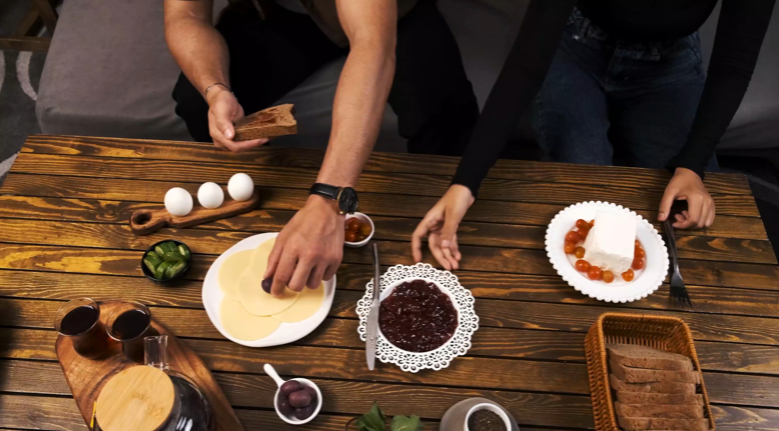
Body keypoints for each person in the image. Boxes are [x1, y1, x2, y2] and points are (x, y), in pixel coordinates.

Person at [412, 0, 776, 271]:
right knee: (579, 210)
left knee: (694, 232)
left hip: (669, 64)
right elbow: (526, 64)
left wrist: (692, 167)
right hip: (574, 46)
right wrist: (465, 183)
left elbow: (734, 64)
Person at [165, 0, 479, 294]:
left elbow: (373, 44)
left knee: (445, 118)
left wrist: (329, 198)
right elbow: (186, 16)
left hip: (388, 16)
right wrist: (215, 89)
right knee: (195, 102)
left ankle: (448, 221)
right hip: (279, 14)